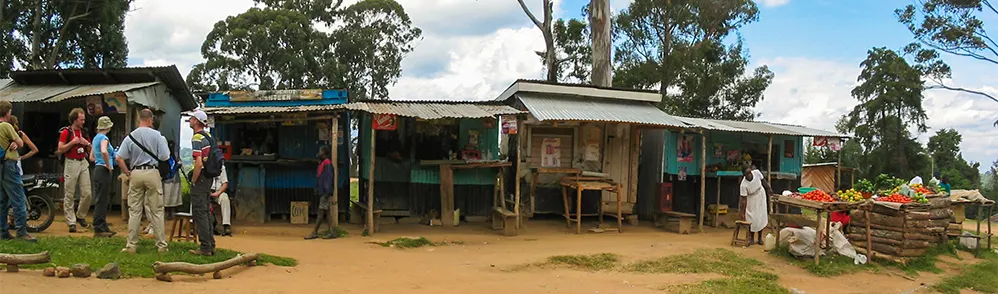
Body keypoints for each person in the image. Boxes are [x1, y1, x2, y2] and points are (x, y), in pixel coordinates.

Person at [115, 109, 170, 254]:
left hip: (136, 172)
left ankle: (131, 245)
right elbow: (165, 156)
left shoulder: (130, 136)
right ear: (150, 120)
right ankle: (161, 246)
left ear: (140, 119)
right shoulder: (157, 135)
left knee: (134, 211)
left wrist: (127, 172)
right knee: (157, 211)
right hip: (152, 172)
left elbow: (119, 158)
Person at [0, 101, 34, 242]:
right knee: (18, 198)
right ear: (7, 112)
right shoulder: (6, 126)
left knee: (2, 200)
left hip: (0, 165)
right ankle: (21, 232)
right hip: (9, 165)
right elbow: (20, 143)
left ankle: (2, 232)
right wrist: (15, 141)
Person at [56, 108, 93, 233]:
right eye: (81, 119)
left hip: (83, 161)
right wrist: (72, 143)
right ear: (74, 119)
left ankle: (80, 215)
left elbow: (91, 147)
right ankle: (71, 222)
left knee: (87, 192)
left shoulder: (85, 131)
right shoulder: (66, 132)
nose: (83, 121)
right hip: (71, 162)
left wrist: (86, 144)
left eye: (84, 119)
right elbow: (60, 149)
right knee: (70, 193)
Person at [188, 109, 216, 256]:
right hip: (209, 178)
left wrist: (193, 180)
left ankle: (205, 248)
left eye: (192, 118)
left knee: (199, 212)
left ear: (197, 121)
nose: (190, 120)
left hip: (201, 177)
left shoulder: (197, 138)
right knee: (206, 211)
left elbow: (198, 163)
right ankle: (211, 244)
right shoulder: (209, 136)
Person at [89, 116, 117, 238]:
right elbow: (104, 151)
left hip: (97, 169)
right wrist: (108, 165)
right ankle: (99, 227)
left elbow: (91, 157)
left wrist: (99, 161)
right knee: (102, 200)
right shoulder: (104, 138)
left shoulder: (95, 138)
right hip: (103, 170)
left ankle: (103, 226)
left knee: (101, 198)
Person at [306, 145, 336, 240]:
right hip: (323, 191)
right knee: (327, 212)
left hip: (325, 192)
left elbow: (328, 178)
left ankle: (315, 232)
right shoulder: (323, 163)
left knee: (320, 211)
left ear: (324, 153)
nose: (318, 153)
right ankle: (332, 232)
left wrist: (327, 192)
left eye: (320, 152)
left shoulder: (326, 162)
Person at [739, 165, 771, 246]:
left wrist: (769, 189)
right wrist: (742, 213)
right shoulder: (743, 185)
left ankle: (760, 237)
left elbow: (764, 181)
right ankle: (751, 237)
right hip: (751, 199)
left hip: (760, 195)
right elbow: (743, 200)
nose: (749, 175)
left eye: (750, 173)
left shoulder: (756, 173)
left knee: (761, 216)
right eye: (747, 174)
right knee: (751, 217)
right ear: (744, 175)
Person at [163, 140, 183, 217]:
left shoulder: (176, 155)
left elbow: (180, 163)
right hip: (167, 179)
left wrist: (179, 164)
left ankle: (173, 213)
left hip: (175, 180)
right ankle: (167, 213)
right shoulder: (165, 155)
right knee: (166, 198)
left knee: (174, 197)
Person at [211, 165, 232, 236]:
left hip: (218, 192)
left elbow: (225, 183)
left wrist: (218, 193)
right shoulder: (202, 165)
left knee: (225, 198)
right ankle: (192, 223)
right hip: (205, 192)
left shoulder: (221, 167)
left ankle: (226, 225)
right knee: (195, 197)